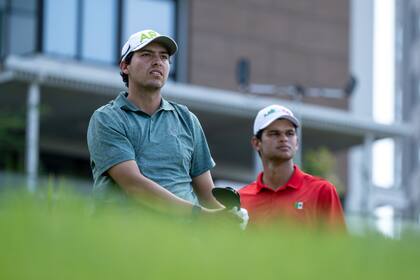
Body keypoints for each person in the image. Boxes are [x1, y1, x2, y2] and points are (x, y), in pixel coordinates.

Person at [87, 29, 247, 224]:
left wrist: (231, 217)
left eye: (164, 57)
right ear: (125, 66)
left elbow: (207, 194)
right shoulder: (107, 118)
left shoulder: (187, 119)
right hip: (124, 239)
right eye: (146, 55)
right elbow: (134, 185)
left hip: (183, 242)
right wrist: (202, 216)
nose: (157, 61)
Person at [239, 104, 345, 229]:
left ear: (297, 143)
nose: (284, 138)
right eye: (274, 133)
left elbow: (338, 247)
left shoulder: (322, 191)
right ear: (256, 143)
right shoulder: (240, 199)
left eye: (290, 133)